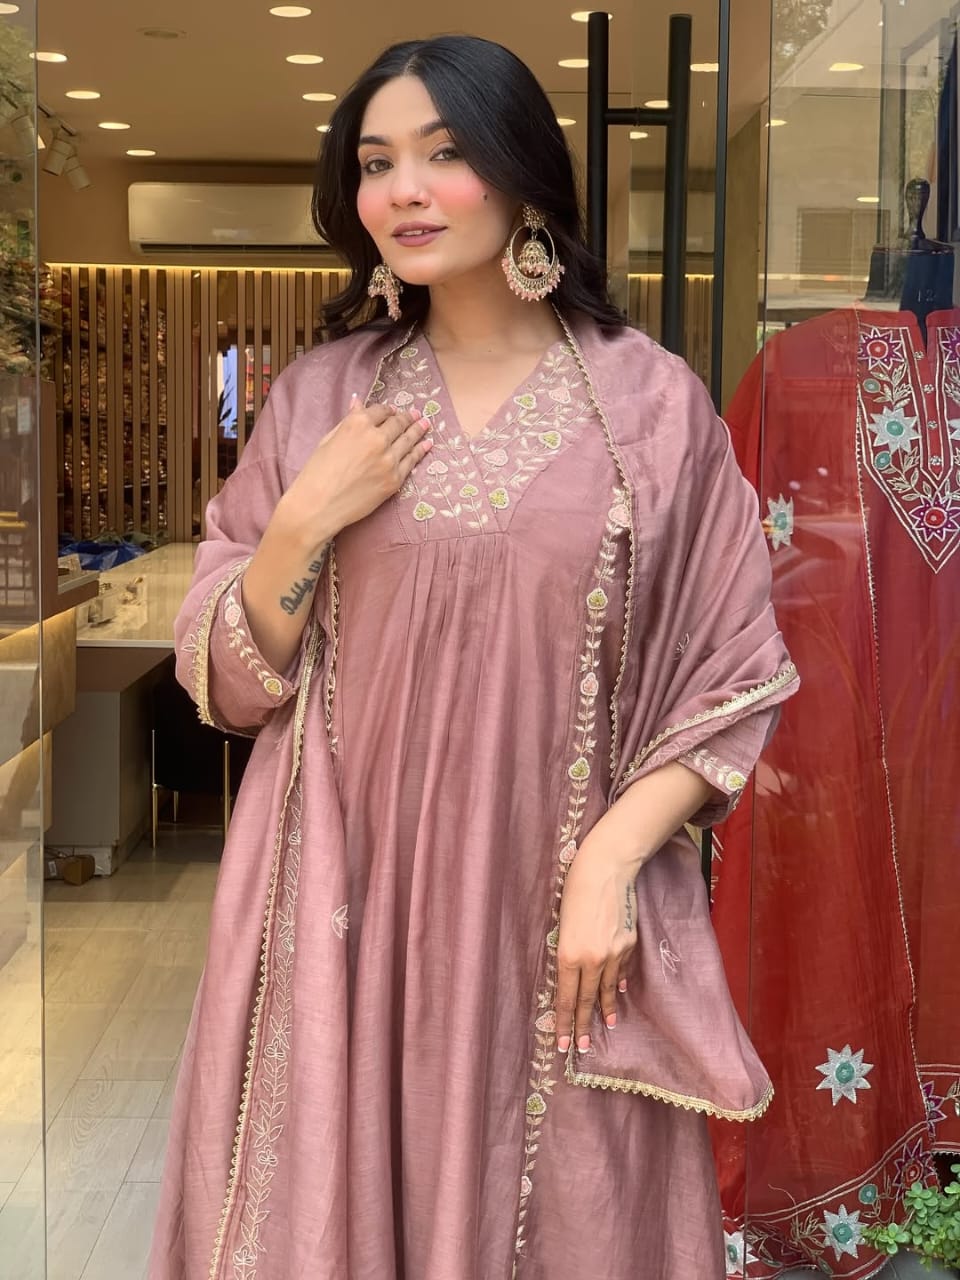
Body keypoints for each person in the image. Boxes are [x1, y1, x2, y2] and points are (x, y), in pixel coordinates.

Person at [149, 34, 798, 1280]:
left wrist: (610, 860)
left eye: (442, 154)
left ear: (522, 173)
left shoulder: (651, 405)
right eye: (375, 162)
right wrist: (300, 519)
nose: (404, 190)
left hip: (555, 912)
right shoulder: (322, 398)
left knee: (572, 1212)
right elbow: (230, 679)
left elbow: (734, 668)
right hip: (346, 901)